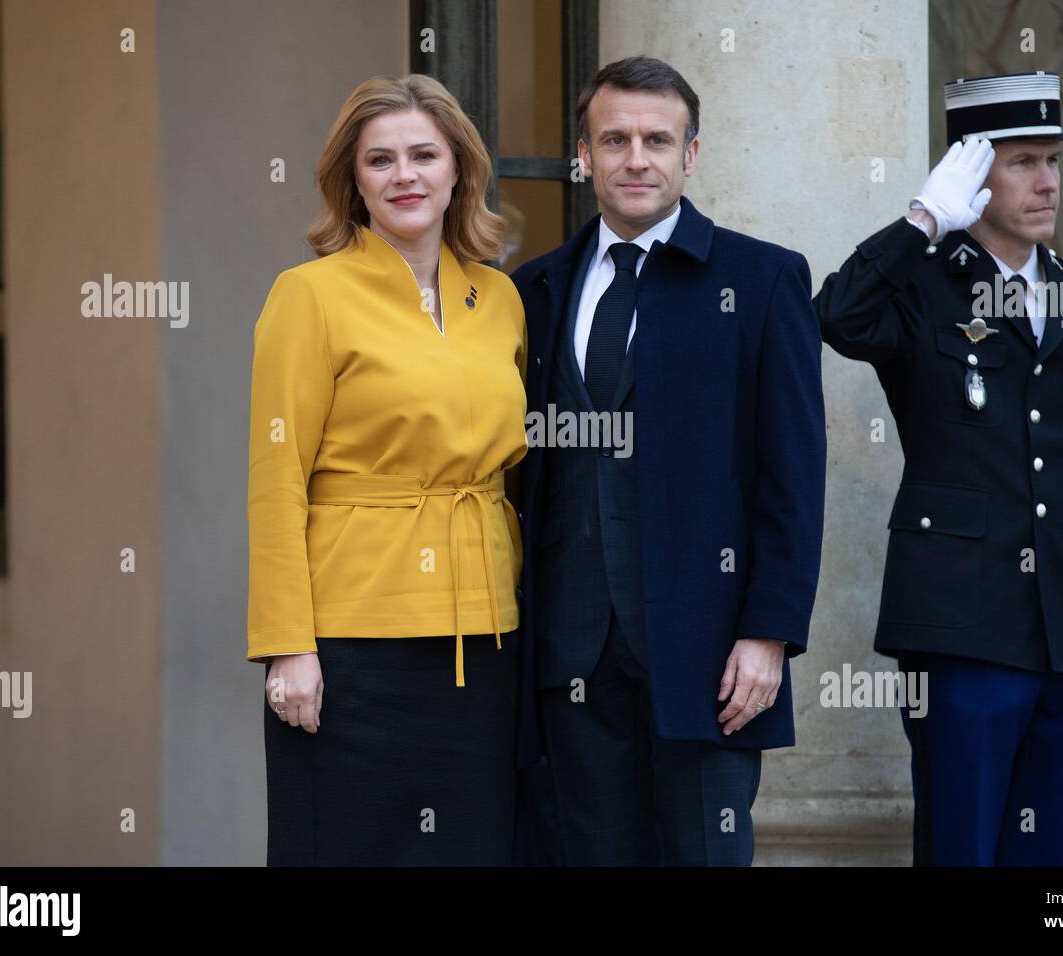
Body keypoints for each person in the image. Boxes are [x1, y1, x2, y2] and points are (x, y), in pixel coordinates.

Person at [815, 71, 1063, 865]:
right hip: (962, 631)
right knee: (962, 848)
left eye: (1053, 161)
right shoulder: (922, 288)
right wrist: (924, 219)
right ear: (973, 170)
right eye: (1022, 162)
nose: (1046, 182)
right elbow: (836, 315)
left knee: (1059, 855)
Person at [510, 55, 826, 866]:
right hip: (569, 655)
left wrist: (769, 633)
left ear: (691, 155)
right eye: (613, 139)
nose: (635, 159)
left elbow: (793, 473)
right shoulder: (534, 289)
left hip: (710, 651)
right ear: (583, 155)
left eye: (658, 139)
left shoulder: (760, 279)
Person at [247, 74, 528, 865]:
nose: (405, 175)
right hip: (349, 644)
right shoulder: (308, 297)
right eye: (381, 160)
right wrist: (286, 646)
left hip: (484, 637)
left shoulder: (501, 299)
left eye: (423, 155)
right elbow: (275, 482)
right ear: (353, 181)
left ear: (458, 171)